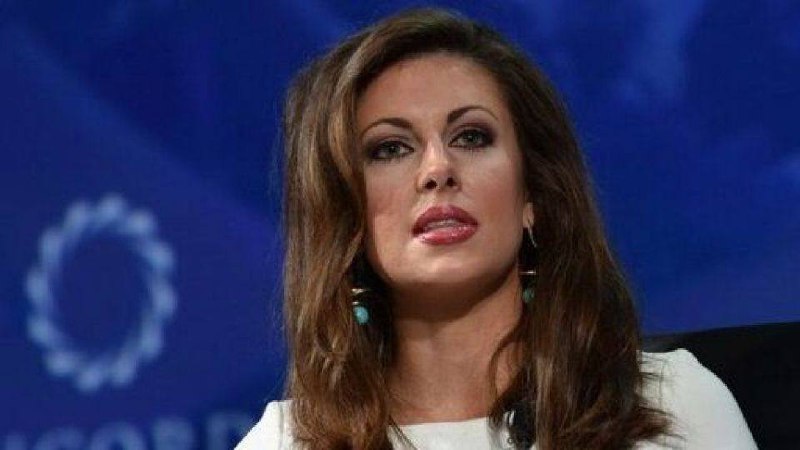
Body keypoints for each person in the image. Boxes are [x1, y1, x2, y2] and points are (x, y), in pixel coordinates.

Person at [237, 8, 756, 450]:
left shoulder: (674, 406)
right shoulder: (287, 441)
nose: (437, 169)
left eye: (471, 137)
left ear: (531, 197)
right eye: (390, 148)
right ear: (346, 213)